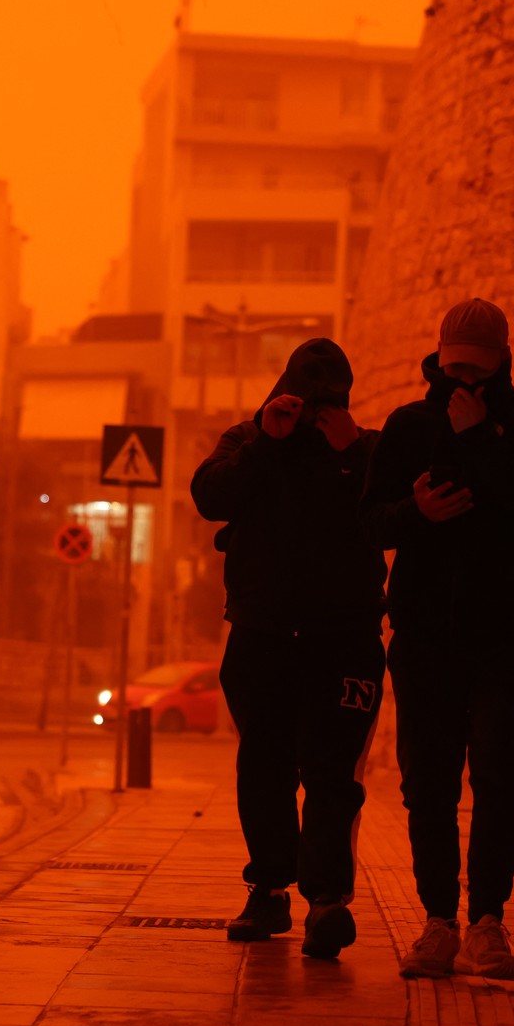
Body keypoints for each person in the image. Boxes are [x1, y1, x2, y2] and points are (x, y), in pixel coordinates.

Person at [359, 298, 514, 981]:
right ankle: (438, 921)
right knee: (429, 785)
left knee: (502, 781)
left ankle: (489, 922)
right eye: (452, 368)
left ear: (502, 360)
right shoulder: (410, 426)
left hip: (506, 639)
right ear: (438, 360)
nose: (462, 381)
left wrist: (479, 441)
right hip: (424, 638)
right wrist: (415, 513)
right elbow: (370, 523)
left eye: (475, 368)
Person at [191, 338, 387, 960]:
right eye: (305, 400)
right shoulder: (248, 440)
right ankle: (270, 890)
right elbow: (210, 497)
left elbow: (396, 515)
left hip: (344, 641)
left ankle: (327, 902)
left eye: (328, 403)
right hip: (263, 637)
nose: (313, 415)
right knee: (265, 770)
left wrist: (350, 452)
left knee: (333, 779)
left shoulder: (369, 451)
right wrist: (267, 441)